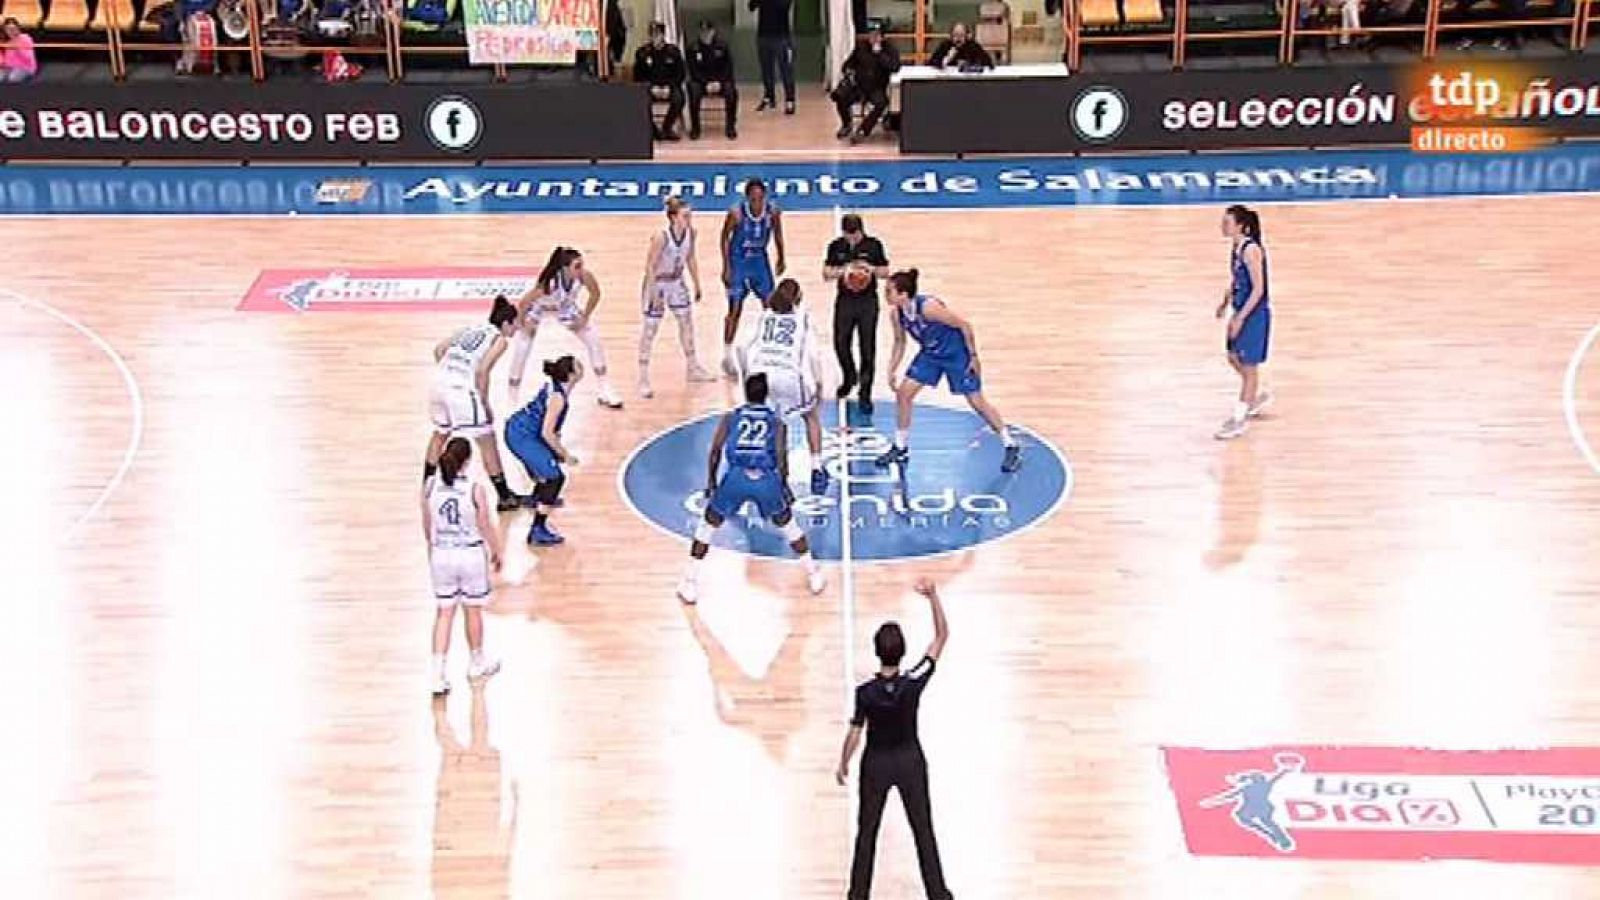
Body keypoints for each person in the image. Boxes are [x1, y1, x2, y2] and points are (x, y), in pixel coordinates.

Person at [836, 578, 954, 900]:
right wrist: (933, 597)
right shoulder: (914, 682)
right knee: (923, 831)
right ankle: (938, 894)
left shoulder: (865, 694)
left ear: (877, 653)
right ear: (902, 653)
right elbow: (941, 637)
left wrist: (843, 762)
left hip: (876, 764)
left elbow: (855, 732)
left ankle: (858, 895)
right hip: (910, 762)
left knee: (867, 834)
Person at [676, 373, 825, 605]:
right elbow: (781, 457)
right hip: (765, 479)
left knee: (708, 526)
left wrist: (711, 483)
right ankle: (813, 573)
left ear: (746, 393)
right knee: (789, 526)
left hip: (736, 477)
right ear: (766, 395)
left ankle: (689, 582)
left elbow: (715, 451)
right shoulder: (776, 421)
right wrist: (783, 486)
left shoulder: (731, 417)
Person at [877, 269, 1021, 474]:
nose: (885, 294)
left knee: (977, 402)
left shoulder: (929, 308)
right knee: (903, 394)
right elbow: (899, 342)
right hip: (931, 354)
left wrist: (973, 357)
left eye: (889, 291)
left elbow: (965, 325)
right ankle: (901, 447)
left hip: (956, 354)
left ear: (903, 294)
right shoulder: (896, 314)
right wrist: (891, 369)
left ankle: (1010, 444)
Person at [426, 295, 527, 512]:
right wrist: (484, 402)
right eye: (516, 324)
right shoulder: (500, 339)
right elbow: (482, 371)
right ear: (506, 323)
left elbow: (438, 350)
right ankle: (504, 495)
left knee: (440, 434)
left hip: (438, 382)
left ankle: (427, 485)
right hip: (461, 389)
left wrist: (450, 370)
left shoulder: (470, 328)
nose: (517, 329)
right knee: (487, 438)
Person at [423, 437, 504, 697]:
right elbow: (485, 524)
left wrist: (432, 550)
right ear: (467, 461)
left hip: (442, 553)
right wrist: (497, 550)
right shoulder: (473, 489)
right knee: (473, 611)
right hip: (469, 553)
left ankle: (437, 674)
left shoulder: (430, 486)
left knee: (444, 614)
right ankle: (476, 662)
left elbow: (427, 524)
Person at [741, 278, 828, 494]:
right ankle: (817, 469)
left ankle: (781, 478)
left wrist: (747, 376)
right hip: (788, 374)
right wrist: (818, 383)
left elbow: (742, 348)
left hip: (760, 374)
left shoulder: (765, 316)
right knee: (811, 416)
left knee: (776, 424)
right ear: (798, 298)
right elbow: (815, 356)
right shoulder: (803, 318)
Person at [511, 246, 624, 409]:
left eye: (582, 264)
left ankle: (604, 388)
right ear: (564, 268)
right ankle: (512, 396)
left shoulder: (584, 276)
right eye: (577, 266)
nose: (581, 269)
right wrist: (522, 323)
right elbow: (523, 303)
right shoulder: (547, 284)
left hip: (565, 308)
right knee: (523, 345)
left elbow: (596, 293)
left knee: (594, 339)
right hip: (540, 308)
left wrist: (585, 317)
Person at [638, 196, 717, 398]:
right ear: (673, 218)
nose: (689, 219)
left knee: (687, 324)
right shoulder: (661, 237)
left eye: (690, 215)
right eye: (685, 216)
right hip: (658, 282)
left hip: (676, 281)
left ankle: (692, 367)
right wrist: (653, 292)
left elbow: (691, 258)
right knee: (650, 330)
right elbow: (650, 266)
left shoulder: (692, 233)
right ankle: (643, 378)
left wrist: (697, 282)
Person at [505, 356, 583, 546]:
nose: (582, 366)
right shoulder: (558, 398)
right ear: (571, 375)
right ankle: (537, 529)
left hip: (518, 429)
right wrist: (565, 454)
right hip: (522, 436)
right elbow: (547, 433)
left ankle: (537, 497)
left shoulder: (555, 386)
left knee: (547, 466)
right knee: (555, 478)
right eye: (578, 365)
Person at [1213, 204, 1273, 440]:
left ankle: (1239, 419)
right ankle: (1253, 394)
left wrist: (1240, 317)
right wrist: (1225, 303)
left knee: (1249, 368)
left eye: (1227, 222)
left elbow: (1259, 289)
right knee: (1233, 357)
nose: (1222, 226)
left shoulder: (1251, 250)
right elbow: (1237, 280)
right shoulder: (1236, 247)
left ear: (1241, 225)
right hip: (1241, 310)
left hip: (1254, 315)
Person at [823, 213, 890, 415]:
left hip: (867, 301)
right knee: (840, 342)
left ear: (861, 231)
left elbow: (885, 271)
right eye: (848, 235)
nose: (852, 239)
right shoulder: (836, 246)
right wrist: (846, 271)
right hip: (845, 300)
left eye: (855, 235)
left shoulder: (874, 245)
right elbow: (826, 273)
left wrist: (868, 269)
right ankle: (849, 375)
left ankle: (865, 393)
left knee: (867, 347)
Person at [719, 178, 786, 377]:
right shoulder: (736, 213)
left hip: (759, 261)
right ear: (747, 198)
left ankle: (769, 352)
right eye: (754, 198)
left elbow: (778, 235)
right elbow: (724, 238)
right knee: (735, 309)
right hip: (739, 260)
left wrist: (781, 257)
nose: (757, 202)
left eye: (760, 197)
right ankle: (727, 354)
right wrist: (726, 266)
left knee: (771, 307)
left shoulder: (772, 212)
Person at [832, 23, 900, 143]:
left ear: (882, 37)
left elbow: (894, 67)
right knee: (840, 96)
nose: (873, 38)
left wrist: (879, 54)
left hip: (876, 87)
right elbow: (847, 64)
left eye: (876, 35)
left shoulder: (890, 49)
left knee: (881, 103)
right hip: (858, 85)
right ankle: (846, 124)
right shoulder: (861, 47)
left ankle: (864, 129)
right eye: (871, 34)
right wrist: (848, 72)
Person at [633, 21, 687, 142]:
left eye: (657, 34)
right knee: (639, 101)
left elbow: (680, 74)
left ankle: (667, 128)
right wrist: (651, 87)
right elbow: (638, 76)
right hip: (650, 88)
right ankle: (653, 130)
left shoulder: (673, 52)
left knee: (679, 99)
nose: (654, 37)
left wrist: (669, 87)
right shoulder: (642, 53)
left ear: (663, 35)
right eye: (652, 34)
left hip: (669, 87)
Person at [686, 20, 738, 140]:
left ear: (713, 31)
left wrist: (718, 82)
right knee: (693, 91)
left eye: (708, 32)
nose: (705, 34)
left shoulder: (722, 46)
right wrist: (706, 83)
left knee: (731, 92)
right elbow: (693, 70)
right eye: (703, 32)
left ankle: (730, 126)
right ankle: (695, 128)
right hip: (701, 82)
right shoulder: (693, 48)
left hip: (720, 81)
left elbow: (728, 68)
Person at [748, 0, 795, 114]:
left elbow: (784, 6)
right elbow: (751, 6)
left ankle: (789, 100)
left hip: (781, 36)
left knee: (785, 69)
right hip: (763, 35)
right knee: (766, 69)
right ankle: (769, 97)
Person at [928, 22, 993, 70]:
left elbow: (987, 62)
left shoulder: (973, 46)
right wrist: (947, 59)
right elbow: (932, 63)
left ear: (967, 36)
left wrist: (968, 64)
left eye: (961, 35)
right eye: (955, 35)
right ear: (951, 36)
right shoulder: (946, 45)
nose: (958, 39)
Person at [0, 18, 37, 82]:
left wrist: (17, 46)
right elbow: (2, 58)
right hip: (8, 67)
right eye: (8, 29)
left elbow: (28, 58)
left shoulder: (25, 38)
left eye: (13, 28)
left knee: (12, 78)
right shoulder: (4, 40)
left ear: (18, 28)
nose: (11, 31)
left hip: (24, 67)